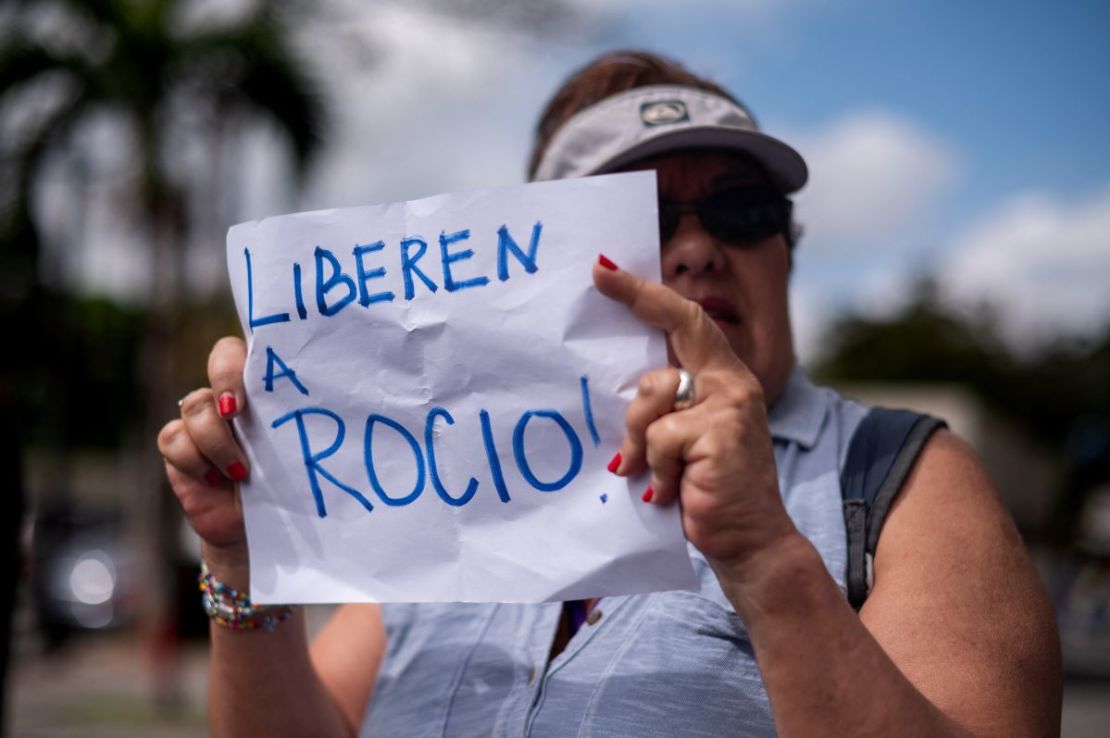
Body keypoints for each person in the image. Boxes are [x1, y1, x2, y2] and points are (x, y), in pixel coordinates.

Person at [158, 50, 1062, 736]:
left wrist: (764, 561)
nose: (700, 247)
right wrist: (246, 565)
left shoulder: (898, 475)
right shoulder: (439, 486)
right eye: (641, 212)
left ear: (789, 246)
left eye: (744, 211)